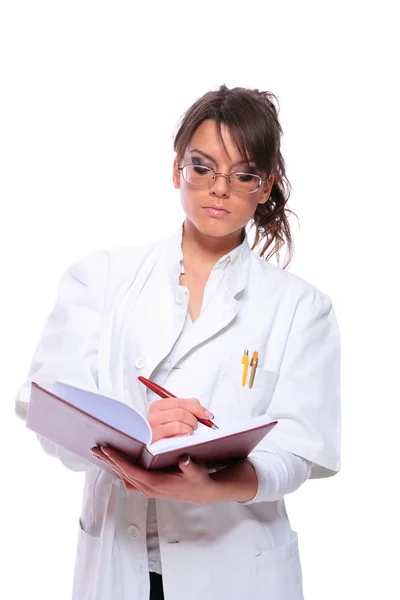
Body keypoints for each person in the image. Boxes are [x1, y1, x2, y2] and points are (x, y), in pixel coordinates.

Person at [15, 84, 341, 600]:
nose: (220, 188)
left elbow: (297, 452)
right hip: (117, 569)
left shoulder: (302, 308)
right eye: (203, 167)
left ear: (265, 185)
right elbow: (52, 415)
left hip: (237, 568)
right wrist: (139, 429)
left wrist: (213, 487)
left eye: (244, 174)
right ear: (176, 170)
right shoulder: (97, 278)